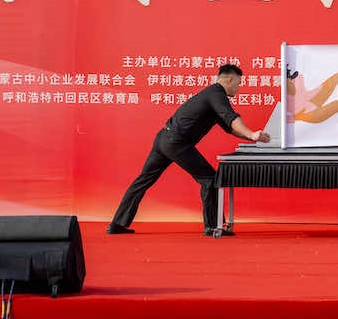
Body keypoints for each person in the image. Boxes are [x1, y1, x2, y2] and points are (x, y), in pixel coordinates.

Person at [107, 64, 270, 236]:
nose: (239, 87)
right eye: (239, 83)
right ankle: (212, 227)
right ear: (230, 80)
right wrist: (252, 134)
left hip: (164, 139)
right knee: (210, 179)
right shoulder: (217, 93)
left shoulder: (212, 95)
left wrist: (253, 137)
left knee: (143, 180)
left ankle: (117, 224)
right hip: (177, 142)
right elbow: (232, 117)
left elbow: (230, 127)